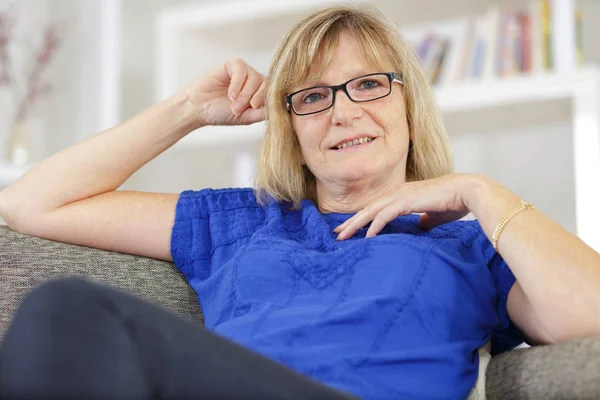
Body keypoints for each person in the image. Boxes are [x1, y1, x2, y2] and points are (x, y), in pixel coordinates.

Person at [1, 4, 599, 400]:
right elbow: (32, 205)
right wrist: (186, 110)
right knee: (66, 310)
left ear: (410, 110)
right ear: (292, 129)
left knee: (74, 310)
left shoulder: (470, 245)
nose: (343, 111)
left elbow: (590, 317)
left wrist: (482, 192)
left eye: (368, 85)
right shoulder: (244, 221)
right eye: (312, 97)